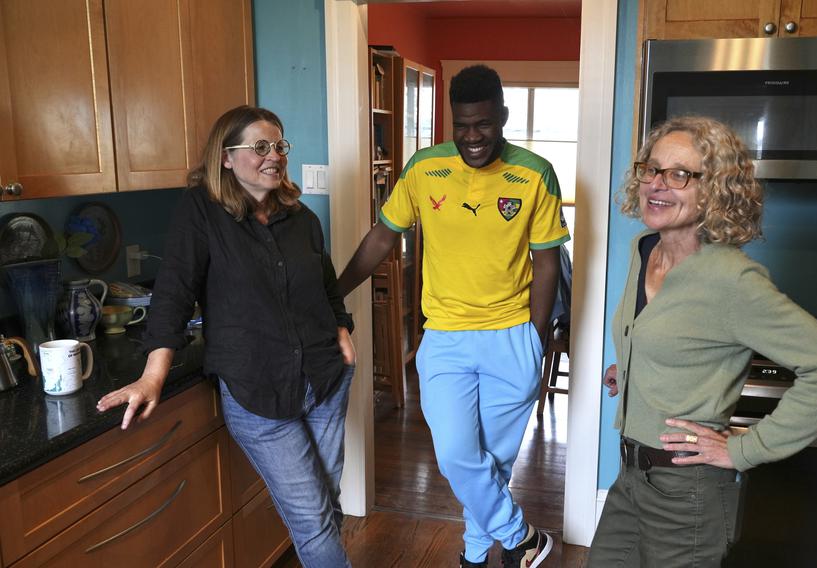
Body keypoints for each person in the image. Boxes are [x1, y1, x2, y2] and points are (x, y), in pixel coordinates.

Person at [587, 116, 817, 567]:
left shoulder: (732, 279)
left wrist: (741, 450)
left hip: (685, 492)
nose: (657, 184)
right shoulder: (644, 248)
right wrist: (635, 370)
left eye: (680, 174)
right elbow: (670, 334)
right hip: (631, 475)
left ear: (714, 190)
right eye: (652, 169)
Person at [96, 106, 356, 567]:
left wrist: (341, 328)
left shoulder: (301, 218)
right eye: (260, 147)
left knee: (326, 502)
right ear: (226, 157)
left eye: (279, 145)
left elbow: (326, 281)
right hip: (258, 392)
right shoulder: (202, 213)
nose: (274, 155)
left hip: (325, 380)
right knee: (313, 520)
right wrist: (153, 375)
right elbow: (173, 292)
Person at [337, 65, 568, 568]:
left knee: (494, 464)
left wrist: (537, 336)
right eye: (461, 126)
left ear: (502, 118)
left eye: (482, 125)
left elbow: (547, 260)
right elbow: (383, 235)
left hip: (512, 335)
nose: (471, 138)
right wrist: (336, 293)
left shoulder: (535, 172)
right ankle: (523, 537)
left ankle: (475, 553)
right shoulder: (424, 168)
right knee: (457, 457)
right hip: (444, 337)